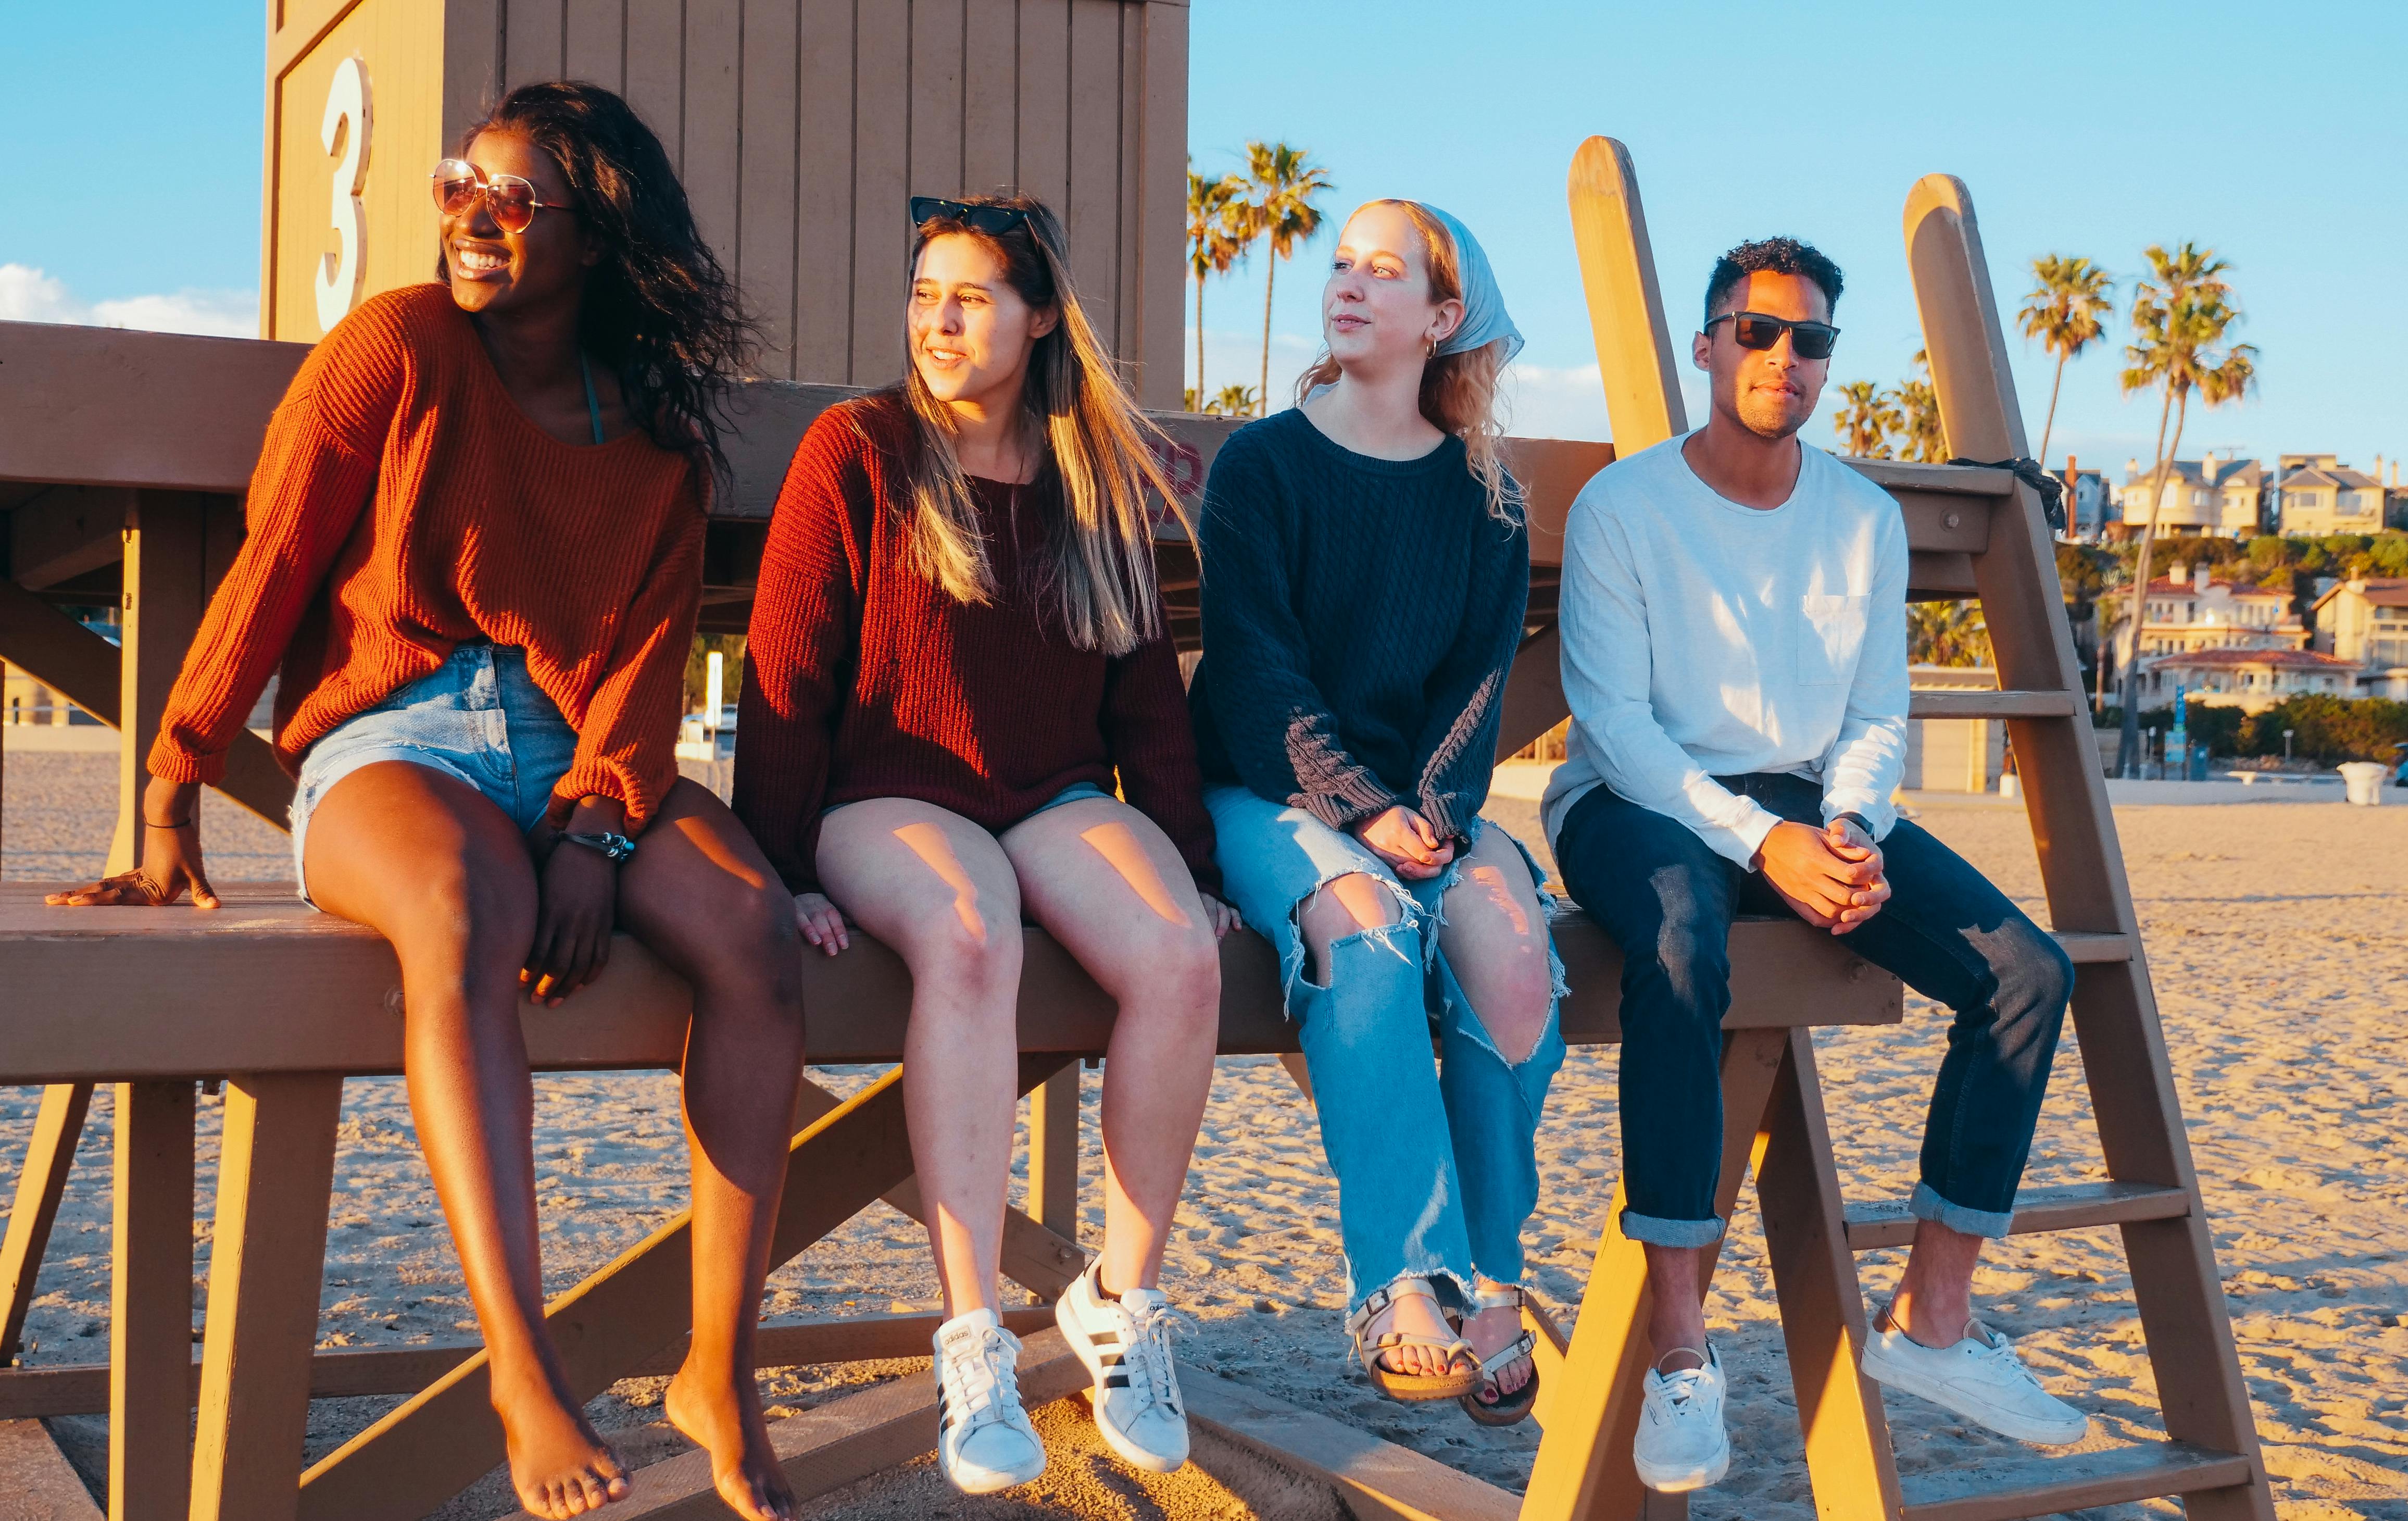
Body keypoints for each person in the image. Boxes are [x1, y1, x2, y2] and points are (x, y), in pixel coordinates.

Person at [47, 83, 804, 1521]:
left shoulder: (655, 439)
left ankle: (721, 1365)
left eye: (514, 200)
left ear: (598, 236)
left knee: (757, 932)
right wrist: (173, 782)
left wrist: (599, 823)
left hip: (581, 757)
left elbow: (648, 667)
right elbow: (273, 557)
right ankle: (523, 1370)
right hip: (392, 744)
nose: (471, 216)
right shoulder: (397, 347)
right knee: (467, 911)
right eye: (463, 184)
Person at [1539, 237, 2086, 1493]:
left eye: (1812, 339)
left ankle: (1935, 1319)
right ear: (1710, 344)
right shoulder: (1628, 504)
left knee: (2027, 973)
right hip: (1636, 797)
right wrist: (1765, 844)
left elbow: (1878, 709)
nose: (1786, 357)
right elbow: (1616, 729)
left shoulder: (1861, 515)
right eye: (1760, 331)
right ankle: (1682, 1345)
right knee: (1684, 942)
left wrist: (1842, 826)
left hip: (1804, 796)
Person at [731, 194, 1230, 1497]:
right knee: (969, 924)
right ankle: (975, 1338)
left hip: (1055, 794)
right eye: (924, 295)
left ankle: (1120, 1302)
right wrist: (777, 871)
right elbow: (786, 672)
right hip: (886, 797)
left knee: (1180, 953)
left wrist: (1199, 863)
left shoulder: (1092, 478)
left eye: (971, 297)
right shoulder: (858, 451)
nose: (939, 321)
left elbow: (1145, 699)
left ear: (1040, 317)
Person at [1189, 200, 1562, 1424]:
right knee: (1366, 927)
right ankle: (1400, 1281)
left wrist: (1433, 813)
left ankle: (1496, 1287)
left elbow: (1476, 689)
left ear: (1443, 319)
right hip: (1266, 789)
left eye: (1383, 271)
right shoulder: (1262, 464)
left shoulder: (1485, 500)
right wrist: (1361, 810)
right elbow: (1252, 672)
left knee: (1513, 957)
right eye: (1340, 261)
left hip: (1426, 806)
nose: (1347, 283)